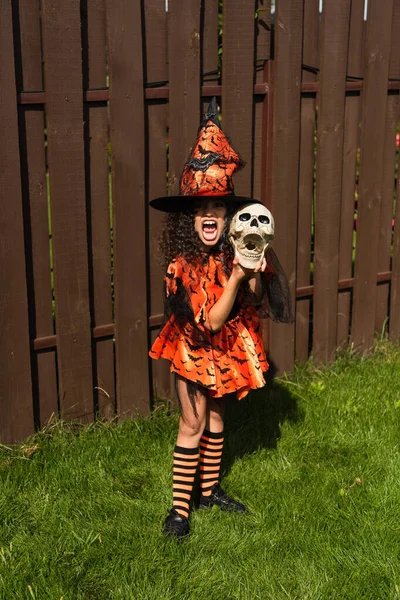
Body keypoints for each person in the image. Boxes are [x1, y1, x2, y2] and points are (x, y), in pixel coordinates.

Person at [149, 98, 292, 539]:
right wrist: (234, 278)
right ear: (187, 218)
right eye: (200, 208)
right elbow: (207, 323)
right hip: (194, 345)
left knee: (216, 419)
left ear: (228, 216)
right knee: (192, 421)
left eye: (218, 208)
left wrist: (250, 267)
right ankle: (179, 511)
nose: (209, 215)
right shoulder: (181, 266)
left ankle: (208, 491)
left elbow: (249, 301)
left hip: (225, 349)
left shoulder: (235, 251)